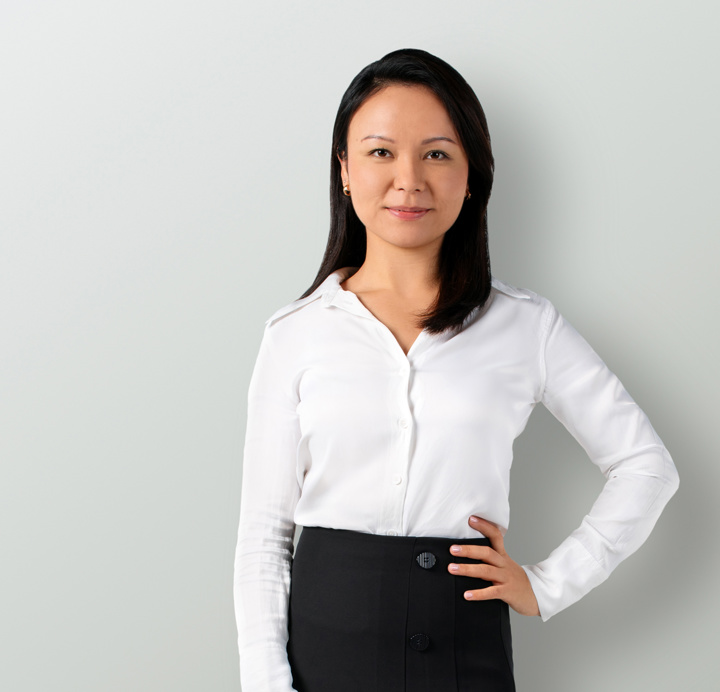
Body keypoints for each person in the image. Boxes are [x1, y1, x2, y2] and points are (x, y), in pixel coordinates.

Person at [233, 48, 679, 692]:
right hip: (323, 652)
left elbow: (646, 466)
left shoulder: (527, 326)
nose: (408, 179)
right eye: (381, 152)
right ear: (345, 171)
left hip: (464, 652)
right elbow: (264, 538)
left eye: (437, 154)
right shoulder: (295, 333)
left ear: (472, 176)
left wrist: (548, 585)